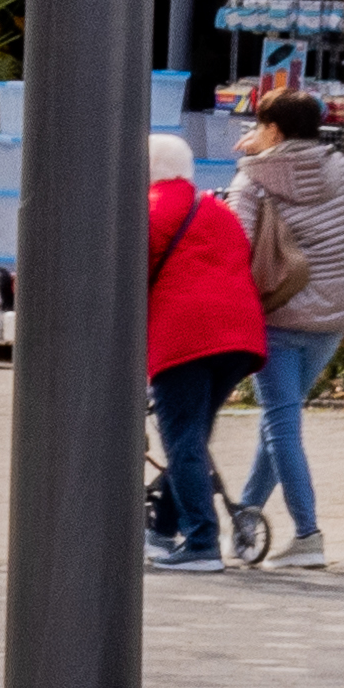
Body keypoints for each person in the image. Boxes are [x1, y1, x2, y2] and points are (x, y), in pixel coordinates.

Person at [228, 82, 344, 563]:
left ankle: (308, 534)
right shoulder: (339, 167)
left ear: (271, 128)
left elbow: (236, 244)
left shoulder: (253, 179)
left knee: (282, 425)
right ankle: (246, 523)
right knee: (279, 421)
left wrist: (248, 165)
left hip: (281, 314)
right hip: (333, 318)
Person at [138, 130, 264, 574]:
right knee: (192, 436)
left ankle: (201, 542)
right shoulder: (216, 209)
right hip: (239, 337)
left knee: (182, 439)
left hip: (186, 337)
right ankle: (161, 530)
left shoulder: (152, 207)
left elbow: (133, 270)